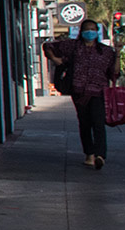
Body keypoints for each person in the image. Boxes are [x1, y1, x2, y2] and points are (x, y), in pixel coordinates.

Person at [43, 19, 120, 169]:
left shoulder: (106, 51)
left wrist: (118, 55)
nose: (90, 32)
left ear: (97, 32)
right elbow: (48, 46)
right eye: (87, 29)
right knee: (84, 123)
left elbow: (115, 72)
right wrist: (55, 59)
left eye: (93, 29)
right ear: (81, 31)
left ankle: (100, 155)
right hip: (78, 92)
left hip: (98, 92)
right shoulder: (73, 46)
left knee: (98, 123)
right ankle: (89, 154)